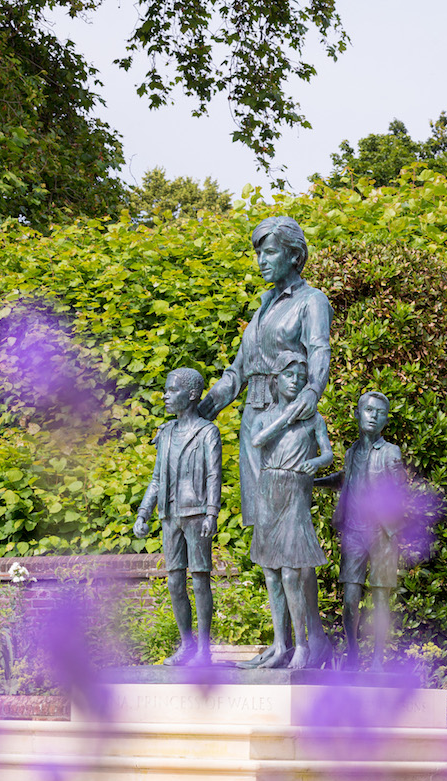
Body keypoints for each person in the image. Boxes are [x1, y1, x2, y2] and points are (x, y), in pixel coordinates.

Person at [199, 215, 333, 664]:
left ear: (294, 254)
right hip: (254, 428)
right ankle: (283, 645)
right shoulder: (261, 308)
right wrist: (211, 401)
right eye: (258, 252)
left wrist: (310, 395)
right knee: (267, 541)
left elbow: (320, 353)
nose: (260, 260)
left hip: (288, 425)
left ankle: (312, 642)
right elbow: (236, 370)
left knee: (291, 541)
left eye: (269, 251)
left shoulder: (311, 301)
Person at [247, 353, 333, 669]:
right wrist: (286, 417)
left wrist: (317, 462)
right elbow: (257, 440)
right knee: (270, 573)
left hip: (295, 489)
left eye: (300, 376)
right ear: (276, 380)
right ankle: (279, 644)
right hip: (269, 489)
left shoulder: (313, 419)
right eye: (289, 375)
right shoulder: (263, 417)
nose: (295, 381)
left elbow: (328, 454)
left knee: (291, 572)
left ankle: (302, 645)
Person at [133, 368, 222, 666]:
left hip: (196, 513)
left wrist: (212, 512)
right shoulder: (166, 432)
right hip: (169, 514)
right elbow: (157, 478)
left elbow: (214, 475)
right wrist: (144, 511)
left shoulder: (208, 432)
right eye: (166, 390)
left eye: (172, 390)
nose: (165, 395)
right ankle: (187, 645)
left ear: (192, 394)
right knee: (174, 582)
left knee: (199, 580)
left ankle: (204, 651)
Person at [316, 391, 405, 671]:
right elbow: (345, 480)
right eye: (368, 410)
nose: (373, 415)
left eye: (379, 412)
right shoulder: (353, 451)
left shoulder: (391, 452)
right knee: (350, 600)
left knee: (380, 600)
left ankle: (378, 660)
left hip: (381, 534)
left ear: (385, 420)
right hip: (354, 532)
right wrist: (312, 482)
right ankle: (353, 654)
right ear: (358, 414)